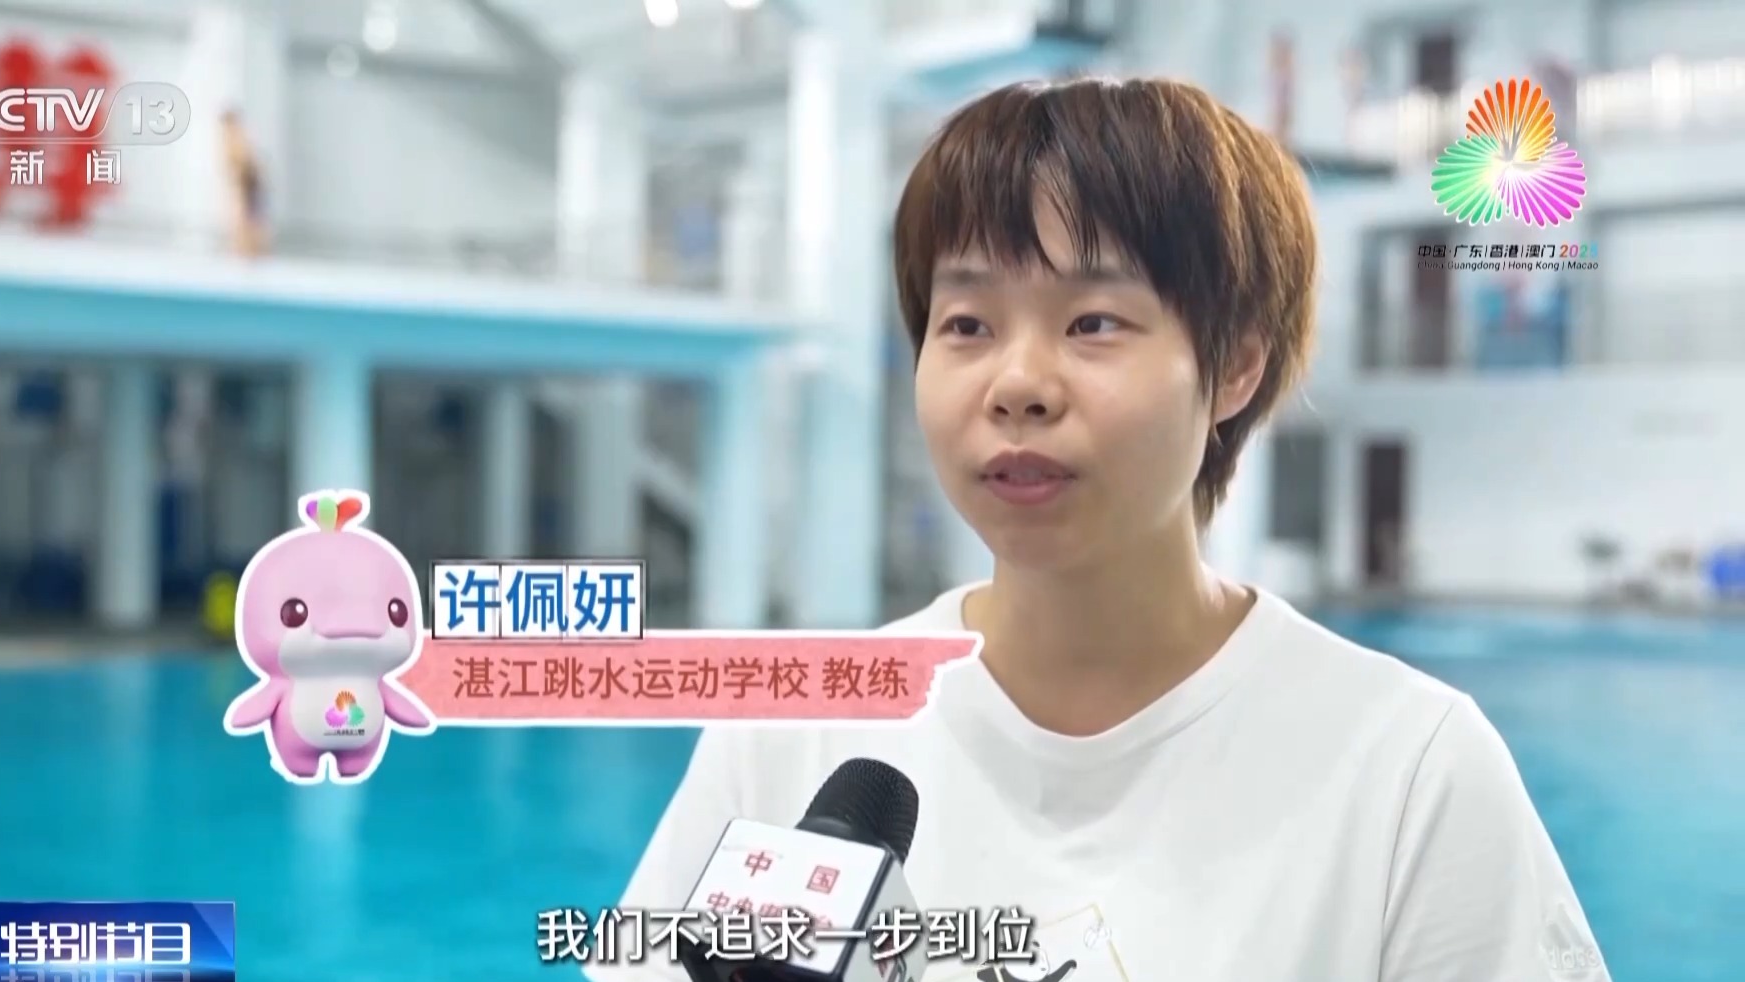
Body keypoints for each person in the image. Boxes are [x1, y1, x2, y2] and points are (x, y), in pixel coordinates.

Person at [590, 77, 1609, 982]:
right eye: (967, 325)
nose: (1017, 384)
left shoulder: (1408, 771)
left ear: (1235, 364)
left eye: (1094, 323)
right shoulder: (785, 736)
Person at [219, 110, 268, 256]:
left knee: (249, 230)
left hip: (248, 190)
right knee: (248, 229)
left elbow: (245, 174)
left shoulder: (238, 144)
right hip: (247, 191)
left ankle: (248, 250)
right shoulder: (236, 144)